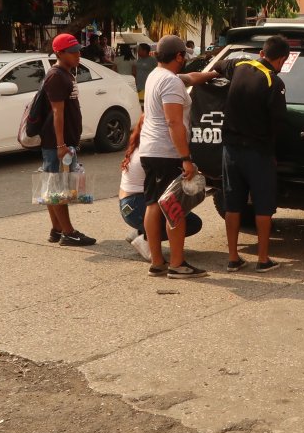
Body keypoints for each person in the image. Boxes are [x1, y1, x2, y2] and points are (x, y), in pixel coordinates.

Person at [138, 35, 218, 278]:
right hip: (168, 153)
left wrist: (214, 73)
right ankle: (177, 263)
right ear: (180, 56)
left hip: (150, 150)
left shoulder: (157, 75)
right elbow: (174, 122)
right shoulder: (171, 83)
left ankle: (157, 261)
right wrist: (185, 157)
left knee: (153, 204)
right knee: (176, 208)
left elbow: (192, 78)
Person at [215, 35, 290, 273]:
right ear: (281, 60)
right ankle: (263, 259)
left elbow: (218, 66)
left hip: (230, 151)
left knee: (233, 205)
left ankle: (233, 258)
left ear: (261, 53)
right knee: (263, 206)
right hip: (258, 153)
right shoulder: (274, 82)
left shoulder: (240, 65)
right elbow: (279, 123)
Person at [119, 116, 203, 260]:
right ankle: (145, 238)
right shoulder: (153, 152)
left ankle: (141, 231)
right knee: (191, 223)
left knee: (188, 218)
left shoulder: (141, 146)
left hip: (129, 205)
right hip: (136, 206)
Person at [41, 33, 96, 246]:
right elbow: (57, 113)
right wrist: (61, 144)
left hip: (63, 141)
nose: (77, 55)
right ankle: (68, 232)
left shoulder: (65, 74)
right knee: (58, 187)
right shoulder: (56, 76)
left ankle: (57, 229)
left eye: (78, 51)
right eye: (72, 52)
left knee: (55, 184)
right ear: (59, 53)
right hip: (56, 142)